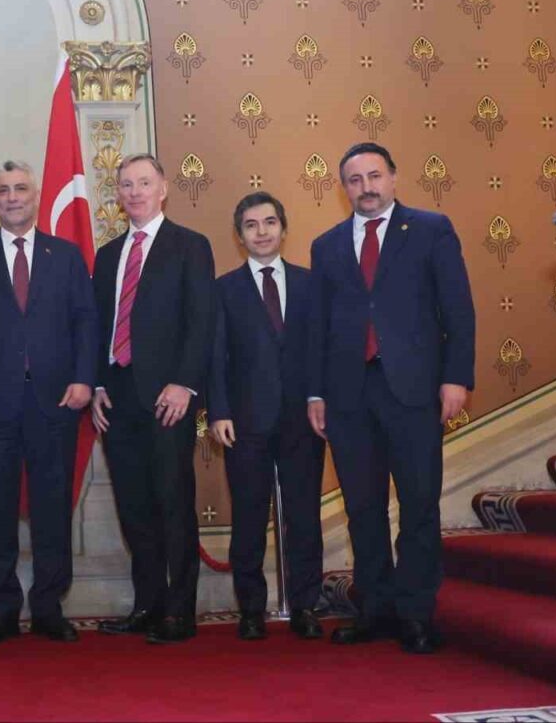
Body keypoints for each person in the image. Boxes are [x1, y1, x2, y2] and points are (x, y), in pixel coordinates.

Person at [307, 142, 475, 655]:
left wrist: (456, 378)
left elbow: (458, 308)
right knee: (363, 508)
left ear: (394, 177)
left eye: (374, 176)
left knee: (419, 504)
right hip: (348, 395)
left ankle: (416, 614)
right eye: (355, 180)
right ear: (344, 188)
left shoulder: (430, 229)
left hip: (414, 390)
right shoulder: (326, 246)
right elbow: (318, 328)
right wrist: (316, 393)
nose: (367, 187)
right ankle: (374, 609)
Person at [0, 161, 97, 644]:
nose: (12, 197)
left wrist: (84, 379)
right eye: (3, 190)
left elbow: (86, 321)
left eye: (20, 188)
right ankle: (1, 608)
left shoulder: (66, 255)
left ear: (35, 196)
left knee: (51, 508)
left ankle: (48, 607)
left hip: (55, 400)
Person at [90, 153, 216, 645]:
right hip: (117, 398)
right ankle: (148, 604)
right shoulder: (107, 255)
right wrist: (98, 384)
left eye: (144, 183)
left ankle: (180, 612)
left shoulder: (190, 246)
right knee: (134, 507)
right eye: (126, 185)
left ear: (163, 189)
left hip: (168, 397)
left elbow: (201, 321)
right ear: (118, 195)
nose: (135, 192)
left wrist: (185, 383)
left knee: (172, 502)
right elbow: (99, 327)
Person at [207, 192, 324, 641]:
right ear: (239, 236)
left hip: (303, 420)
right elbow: (216, 357)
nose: (262, 232)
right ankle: (251, 609)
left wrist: (320, 397)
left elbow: (322, 350)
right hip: (245, 422)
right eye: (251, 225)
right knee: (249, 518)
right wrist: (218, 410)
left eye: (270, 222)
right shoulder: (223, 289)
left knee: (304, 516)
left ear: (283, 228)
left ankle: (305, 605)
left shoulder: (311, 284)